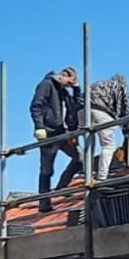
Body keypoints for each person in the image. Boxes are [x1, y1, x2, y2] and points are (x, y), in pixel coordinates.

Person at [30, 67, 82, 212]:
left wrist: (76, 89)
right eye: (68, 82)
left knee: (81, 158)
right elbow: (36, 106)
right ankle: (44, 203)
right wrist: (39, 126)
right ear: (62, 76)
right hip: (49, 132)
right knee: (47, 169)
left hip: (63, 133)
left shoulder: (63, 91)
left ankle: (62, 186)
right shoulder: (46, 85)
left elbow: (77, 106)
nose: (68, 86)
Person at [89, 73, 129, 180]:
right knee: (108, 145)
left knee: (89, 143)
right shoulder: (120, 86)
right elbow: (126, 109)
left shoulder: (100, 83)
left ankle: (88, 174)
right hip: (100, 109)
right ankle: (102, 177)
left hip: (81, 109)